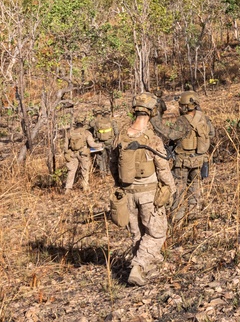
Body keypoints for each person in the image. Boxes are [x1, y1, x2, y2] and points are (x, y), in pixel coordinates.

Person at [112, 92, 176, 287]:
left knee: (138, 233)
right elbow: (163, 168)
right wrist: (170, 189)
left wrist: (120, 186)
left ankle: (150, 263)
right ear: (152, 111)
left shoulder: (121, 135)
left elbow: (113, 164)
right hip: (148, 193)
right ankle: (138, 266)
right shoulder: (152, 138)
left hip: (127, 192)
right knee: (157, 232)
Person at [169, 92, 213, 222]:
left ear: (185, 107)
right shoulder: (204, 118)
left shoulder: (182, 121)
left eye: (181, 105)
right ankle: (194, 218)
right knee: (195, 189)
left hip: (183, 161)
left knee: (179, 191)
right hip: (200, 160)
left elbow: (172, 136)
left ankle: (178, 219)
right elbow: (212, 133)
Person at [64, 118, 102, 193]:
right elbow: (92, 144)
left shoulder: (70, 133)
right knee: (84, 170)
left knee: (71, 171)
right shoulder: (86, 132)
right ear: (83, 124)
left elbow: (65, 146)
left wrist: (67, 153)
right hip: (83, 154)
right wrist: (101, 145)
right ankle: (85, 186)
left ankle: (68, 188)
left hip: (72, 154)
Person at [89, 107, 118, 174]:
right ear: (109, 114)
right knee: (110, 157)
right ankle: (109, 171)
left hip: (100, 143)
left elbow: (95, 133)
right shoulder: (112, 121)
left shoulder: (97, 122)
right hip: (110, 142)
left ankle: (102, 172)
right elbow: (116, 132)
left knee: (101, 158)